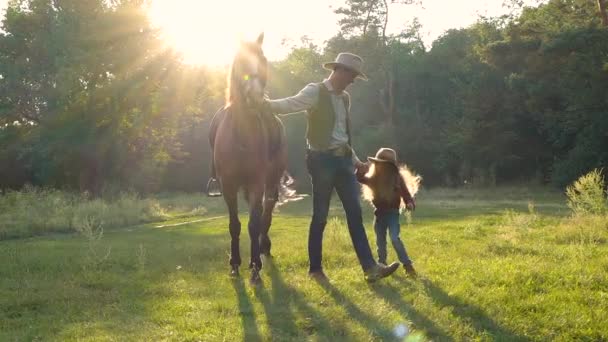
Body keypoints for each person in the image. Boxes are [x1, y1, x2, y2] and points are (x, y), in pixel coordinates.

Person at [262, 52, 400, 282]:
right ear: (340, 71)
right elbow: (288, 105)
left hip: (344, 161)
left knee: (355, 214)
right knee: (321, 216)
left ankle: (370, 268)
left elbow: (342, 136)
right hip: (321, 161)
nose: (354, 80)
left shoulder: (345, 98)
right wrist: (263, 104)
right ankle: (315, 270)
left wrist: (356, 162)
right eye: (352, 75)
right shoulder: (315, 91)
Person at [356, 147, 419, 277]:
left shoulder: (396, 178)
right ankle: (382, 265)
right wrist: (362, 169)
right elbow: (361, 178)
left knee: (395, 238)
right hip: (379, 214)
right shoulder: (374, 178)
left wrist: (409, 202)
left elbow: (406, 193)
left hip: (392, 214)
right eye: (379, 164)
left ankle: (408, 265)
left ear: (391, 167)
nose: (381, 167)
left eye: (384, 165)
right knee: (380, 241)